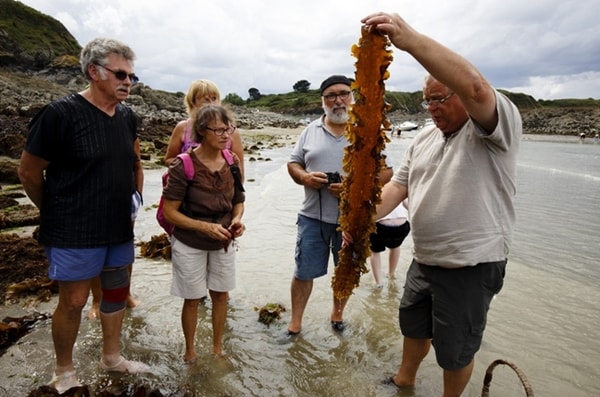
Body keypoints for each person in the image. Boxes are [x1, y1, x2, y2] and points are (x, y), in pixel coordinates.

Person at [350, 13, 523, 396]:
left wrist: (409, 40)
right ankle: (405, 381)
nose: (431, 108)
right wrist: (359, 220)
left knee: (455, 347)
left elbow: (477, 87)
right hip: (425, 258)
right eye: (427, 101)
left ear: (460, 94)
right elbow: (398, 186)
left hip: (471, 264)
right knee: (413, 324)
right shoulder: (424, 138)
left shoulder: (495, 128)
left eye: (440, 98)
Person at [17, 37, 149, 394]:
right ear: (94, 71)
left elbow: (133, 164)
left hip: (118, 227)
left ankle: (112, 357)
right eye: (120, 74)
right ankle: (64, 371)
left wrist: (136, 199)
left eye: (132, 76)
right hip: (73, 229)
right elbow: (28, 173)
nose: (128, 82)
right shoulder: (59, 114)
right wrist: (55, 211)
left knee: (116, 294)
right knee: (74, 301)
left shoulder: (127, 117)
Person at [286, 75, 392, 335]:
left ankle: (337, 314)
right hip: (312, 216)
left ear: (352, 97)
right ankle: (295, 322)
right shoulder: (310, 130)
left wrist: (354, 187)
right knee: (303, 272)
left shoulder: (366, 131)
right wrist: (304, 177)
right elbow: (293, 163)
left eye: (343, 93)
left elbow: (388, 173)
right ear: (322, 101)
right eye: (330, 96)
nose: (338, 100)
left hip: (353, 220)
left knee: (345, 271)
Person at [162, 104, 245, 362]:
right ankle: (190, 351)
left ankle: (217, 347)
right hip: (190, 241)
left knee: (221, 296)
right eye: (217, 130)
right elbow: (169, 212)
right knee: (193, 298)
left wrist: (238, 220)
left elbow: (238, 200)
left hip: (223, 241)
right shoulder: (183, 165)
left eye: (227, 129)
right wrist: (204, 227)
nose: (225, 135)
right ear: (201, 131)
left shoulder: (233, 161)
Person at [164, 79, 245, 180]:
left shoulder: (230, 131)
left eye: (214, 98)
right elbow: (168, 159)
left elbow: (239, 171)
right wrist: (191, 166)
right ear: (193, 103)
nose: (211, 104)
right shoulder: (183, 128)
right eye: (206, 100)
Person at [368, 200, 410, 288]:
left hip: (381, 226)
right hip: (402, 226)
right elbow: (408, 205)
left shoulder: (373, 189)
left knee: (374, 252)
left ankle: (378, 282)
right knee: (395, 247)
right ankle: (390, 274)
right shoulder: (397, 187)